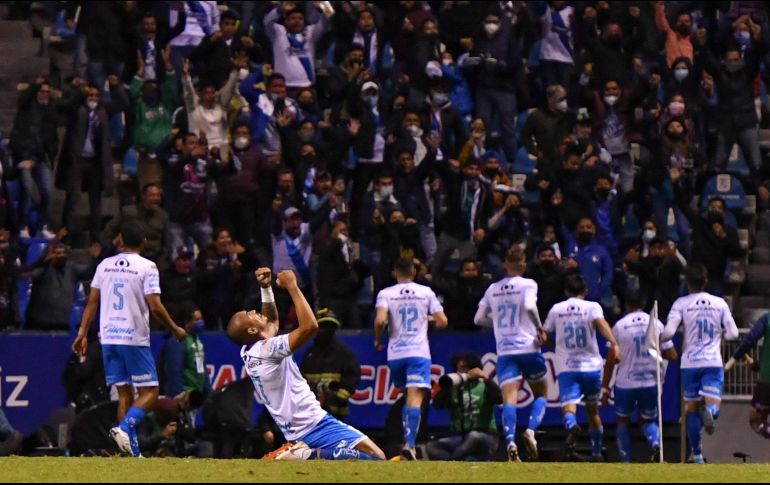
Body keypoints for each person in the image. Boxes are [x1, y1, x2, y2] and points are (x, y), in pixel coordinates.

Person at [227, 267, 385, 461]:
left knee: (369, 458)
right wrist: (293, 286)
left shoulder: (250, 351)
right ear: (251, 330)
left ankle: (303, 453)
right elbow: (310, 326)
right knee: (377, 457)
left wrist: (266, 289)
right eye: (249, 314)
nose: (253, 311)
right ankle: (304, 454)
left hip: (297, 427)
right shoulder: (267, 350)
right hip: (313, 422)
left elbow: (271, 323)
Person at [72, 219, 187, 457]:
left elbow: (92, 302)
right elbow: (155, 306)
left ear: (121, 240)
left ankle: (130, 452)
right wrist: (175, 328)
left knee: (124, 393)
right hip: (133, 338)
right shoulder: (147, 267)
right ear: (143, 242)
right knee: (150, 392)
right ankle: (124, 428)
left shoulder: (104, 265)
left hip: (108, 337)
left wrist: (82, 333)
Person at [475, 248, 548, 461]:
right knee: (541, 394)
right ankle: (531, 431)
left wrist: (497, 324)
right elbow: (529, 306)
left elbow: (478, 319)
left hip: (505, 351)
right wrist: (539, 328)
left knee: (509, 399)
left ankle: (510, 442)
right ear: (523, 264)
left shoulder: (492, 289)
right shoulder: (528, 284)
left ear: (505, 265)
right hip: (528, 347)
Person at [662, 264, 740, 464]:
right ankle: (711, 412)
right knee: (712, 404)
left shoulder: (681, 303)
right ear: (706, 281)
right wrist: (721, 335)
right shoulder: (719, 303)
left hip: (690, 363)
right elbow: (733, 334)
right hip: (712, 361)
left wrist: (658, 338)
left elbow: (669, 333)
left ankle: (696, 455)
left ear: (687, 283)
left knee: (692, 408)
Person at [374, 257, 448, 460]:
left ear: (394, 272)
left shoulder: (386, 293)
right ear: (413, 272)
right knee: (415, 397)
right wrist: (427, 319)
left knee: (407, 393)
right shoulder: (426, 292)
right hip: (418, 353)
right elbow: (443, 321)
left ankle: (406, 441)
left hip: (396, 354)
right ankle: (410, 444)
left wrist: (378, 339)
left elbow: (380, 320)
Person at [543, 272, 621, 461]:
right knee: (593, 411)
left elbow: (544, 335)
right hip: (591, 368)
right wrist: (614, 343)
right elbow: (601, 324)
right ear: (585, 290)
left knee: (569, 408)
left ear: (566, 291)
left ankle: (572, 427)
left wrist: (555, 345)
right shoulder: (592, 307)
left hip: (567, 367)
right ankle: (596, 452)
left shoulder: (556, 309)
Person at [601, 291, 678, 463]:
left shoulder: (619, 326)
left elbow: (610, 361)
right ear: (643, 302)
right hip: (650, 382)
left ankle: (626, 460)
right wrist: (656, 352)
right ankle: (655, 443)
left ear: (626, 305)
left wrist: (605, 388)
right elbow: (672, 354)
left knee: (622, 421)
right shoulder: (656, 324)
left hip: (625, 383)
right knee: (647, 420)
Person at [426, 352, 502, 461]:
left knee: (474, 436)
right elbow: (437, 405)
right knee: (431, 447)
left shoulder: (484, 385)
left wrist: (485, 378)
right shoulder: (453, 389)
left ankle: (453, 461)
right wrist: (447, 386)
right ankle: (458, 460)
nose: (460, 371)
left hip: (485, 437)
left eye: (463, 368)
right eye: (458, 368)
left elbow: (500, 399)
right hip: (459, 437)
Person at [299, 308, 361, 422]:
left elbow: (352, 377)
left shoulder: (344, 353)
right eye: (323, 326)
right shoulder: (309, 354)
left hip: (336, 413)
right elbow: (302, 379)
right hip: (312, 412)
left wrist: (338, 398)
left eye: (330, 327)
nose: (326, 330)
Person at [725, 312, 770, 440]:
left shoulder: (767, 319)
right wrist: (757, 365)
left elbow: (749, 340)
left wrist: (732, 360)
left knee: (757, 420)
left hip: (767, 380)